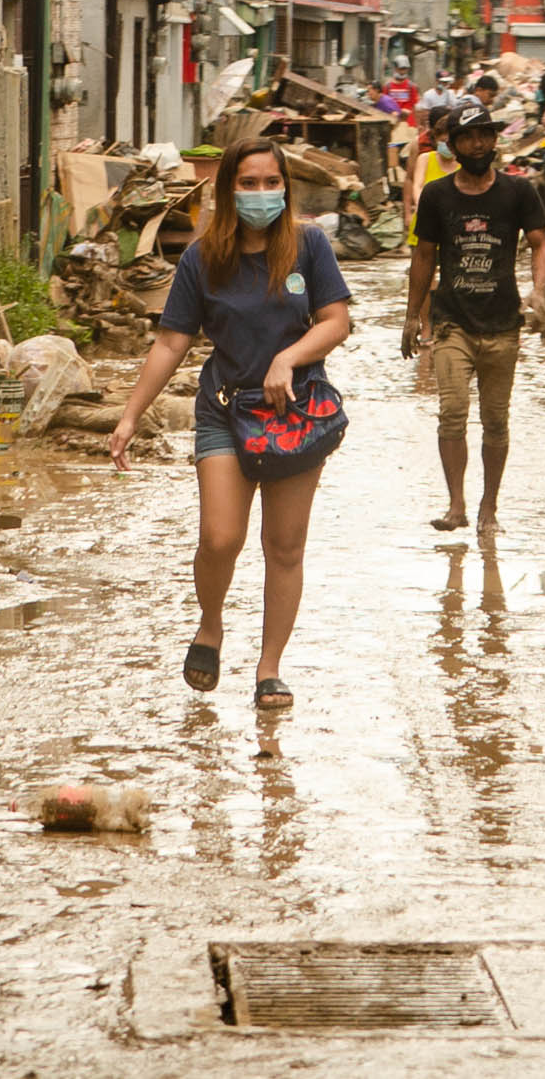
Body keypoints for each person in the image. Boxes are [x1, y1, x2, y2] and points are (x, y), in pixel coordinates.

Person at [108, 137, 354, 712]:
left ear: (285, 187)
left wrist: (288, 358)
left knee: (284, 546)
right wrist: (129, 415)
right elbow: (171, 342)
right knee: (220, 538)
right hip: (224, 408)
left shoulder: (310, 246)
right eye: (248, 184)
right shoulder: (203, 257)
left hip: (296, 413)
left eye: (271, 183)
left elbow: (336, 321)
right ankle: (211, 623)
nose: (261, 194)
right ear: (228, 190)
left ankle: (269, 669)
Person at [402, 103, 545, 538]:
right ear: (453, 144)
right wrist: (412, 317)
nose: (478, 144)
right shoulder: (437, 196)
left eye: (484, 134)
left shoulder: (518, 192)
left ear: (494, 139)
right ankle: (456, 505)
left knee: (496, 421)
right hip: (452, 323)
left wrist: (540, 291)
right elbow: (423, 256)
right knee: (451, 412)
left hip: (504, 324)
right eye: (468, 137)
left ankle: (489, 506)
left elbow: (541, 243)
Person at [403, 104, 461, 247]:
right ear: (434, 139)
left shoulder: (463, 162)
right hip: (425, 222)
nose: (446, 145)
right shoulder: (424, 155)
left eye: (449, 142)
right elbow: (415, 183)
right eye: (442, 141)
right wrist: (414, 209)